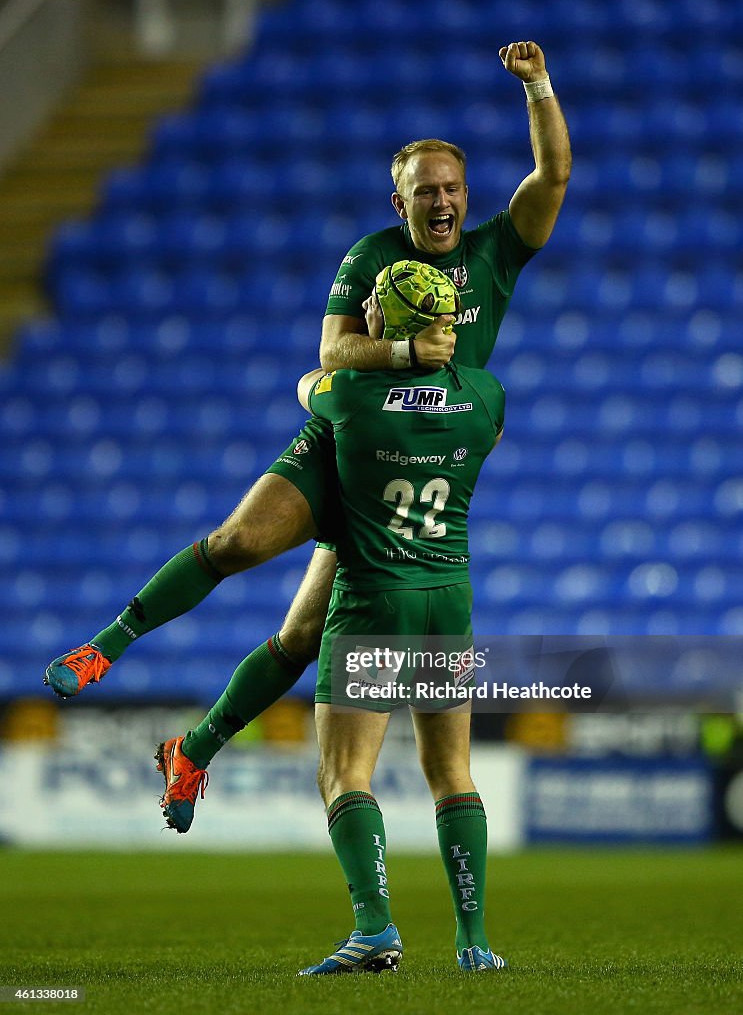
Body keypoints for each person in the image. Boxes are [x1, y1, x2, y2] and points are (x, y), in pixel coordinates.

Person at [44, 41, 570, 825]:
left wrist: (536, 84)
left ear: (466, 194)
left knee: (295, 642)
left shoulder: (494, 254)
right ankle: (106, 645)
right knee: (237, 545)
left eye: (452, 187)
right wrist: (401, 351)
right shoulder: (371, 256)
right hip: (343, 445)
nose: (440, 201)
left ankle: (192, 751)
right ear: (400, 202)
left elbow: (553, 174)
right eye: (425, 190)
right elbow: (331, 352)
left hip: (401, 473)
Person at [291, 284, 507, 974]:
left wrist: (380, 354)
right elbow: (483, 431)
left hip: (373, 600)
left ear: (394, 322)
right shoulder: (485, 396)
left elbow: (306, 385)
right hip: (447, 600)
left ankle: (374, 926)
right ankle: (473, 942)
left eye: (377, 307)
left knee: (343, 771)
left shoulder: (349, 394)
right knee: (452, 772)